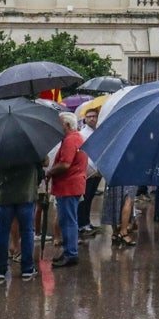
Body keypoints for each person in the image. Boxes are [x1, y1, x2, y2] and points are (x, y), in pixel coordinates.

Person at [47, 112, 88, 268]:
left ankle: (71, 253)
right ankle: (69, 250)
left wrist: (50, 172)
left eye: (60, 124)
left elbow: (65, 164)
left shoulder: (71, 140)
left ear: (68, 125)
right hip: (71, 185)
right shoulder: (75, 138)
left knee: (68, 221)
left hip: (68, 186)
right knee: (68, 220)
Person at [0, 159, 42, 282]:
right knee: (27, 231)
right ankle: (27, 269)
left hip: (4, 195)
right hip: (25, 194)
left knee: (2, 231)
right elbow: (45, 161)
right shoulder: (31, 143)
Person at [77, 107, 102, 235]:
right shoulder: (82, 134)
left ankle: (87, 222)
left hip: (98, 170)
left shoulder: (98, 132)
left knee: (90, 197)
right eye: (89, 116)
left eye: (94, 116)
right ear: (85, 119)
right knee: (85, 198)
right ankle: (82, 224)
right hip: (88, 171)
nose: (92, 118)